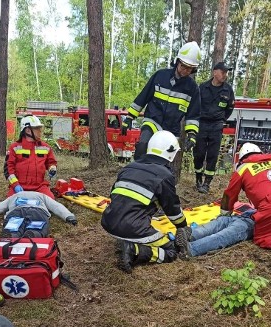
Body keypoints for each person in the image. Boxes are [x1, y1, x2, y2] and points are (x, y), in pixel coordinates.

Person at [101, 130, 189, 272]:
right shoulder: (164, 175)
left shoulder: (129, 167)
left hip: (108, 222)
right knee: (172, 251)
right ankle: (134, 251)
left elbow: (114, 196)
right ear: (171, 152)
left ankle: (129, 243)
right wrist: (182, 226)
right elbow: (172, 209)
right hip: (132, 228)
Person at [122, 42, 201, 160]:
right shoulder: (160, 76)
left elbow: (193, 115)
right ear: (177, 62)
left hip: (172, 129)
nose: (185, 70)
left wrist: (192, 135)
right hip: (152, 121)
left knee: (164, 159)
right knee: (143, 146)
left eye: (189, 68)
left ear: (193, 69)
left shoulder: (192, 88)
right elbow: (143, 96)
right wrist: (129, 117)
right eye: (183, 66)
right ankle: (137, 173)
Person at [194, 61, 235, 193]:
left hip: (216, 125)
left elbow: (230, 108)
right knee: (199, 153)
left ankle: (207, 183)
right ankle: (198, 178)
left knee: (212, 155)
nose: (225, 75)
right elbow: (195, 105)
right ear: (214, 72)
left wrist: (222, 119)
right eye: (223, 72)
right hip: (202, 124)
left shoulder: (228, 90)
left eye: (226, 73)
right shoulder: (203, 87)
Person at [0, 190, 78, 238]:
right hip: (37, 212)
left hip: (16, 212)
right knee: (37, 226)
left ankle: (12, 235)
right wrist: (68, 216)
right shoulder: (42, 196)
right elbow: (56, 206)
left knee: (13, 227)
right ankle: (34, 234)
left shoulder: (14, 197)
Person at [5, 115, 57, 199]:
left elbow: (51, 162)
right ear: (28, 130)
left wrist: (52, 167)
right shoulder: (14, 147)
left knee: (50, 200)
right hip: (19, 186)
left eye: (40, 128)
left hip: (39, 187)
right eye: (37, 128)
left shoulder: (46, 147)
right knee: (12, 202)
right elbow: (9, 170)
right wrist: (15, 185)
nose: (40, 131)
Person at [175, 205, 256, 258]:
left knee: (216, 233)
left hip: (246, 220)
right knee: (215, 233)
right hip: (244, 218)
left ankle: (189, 244)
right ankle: (190, 242)